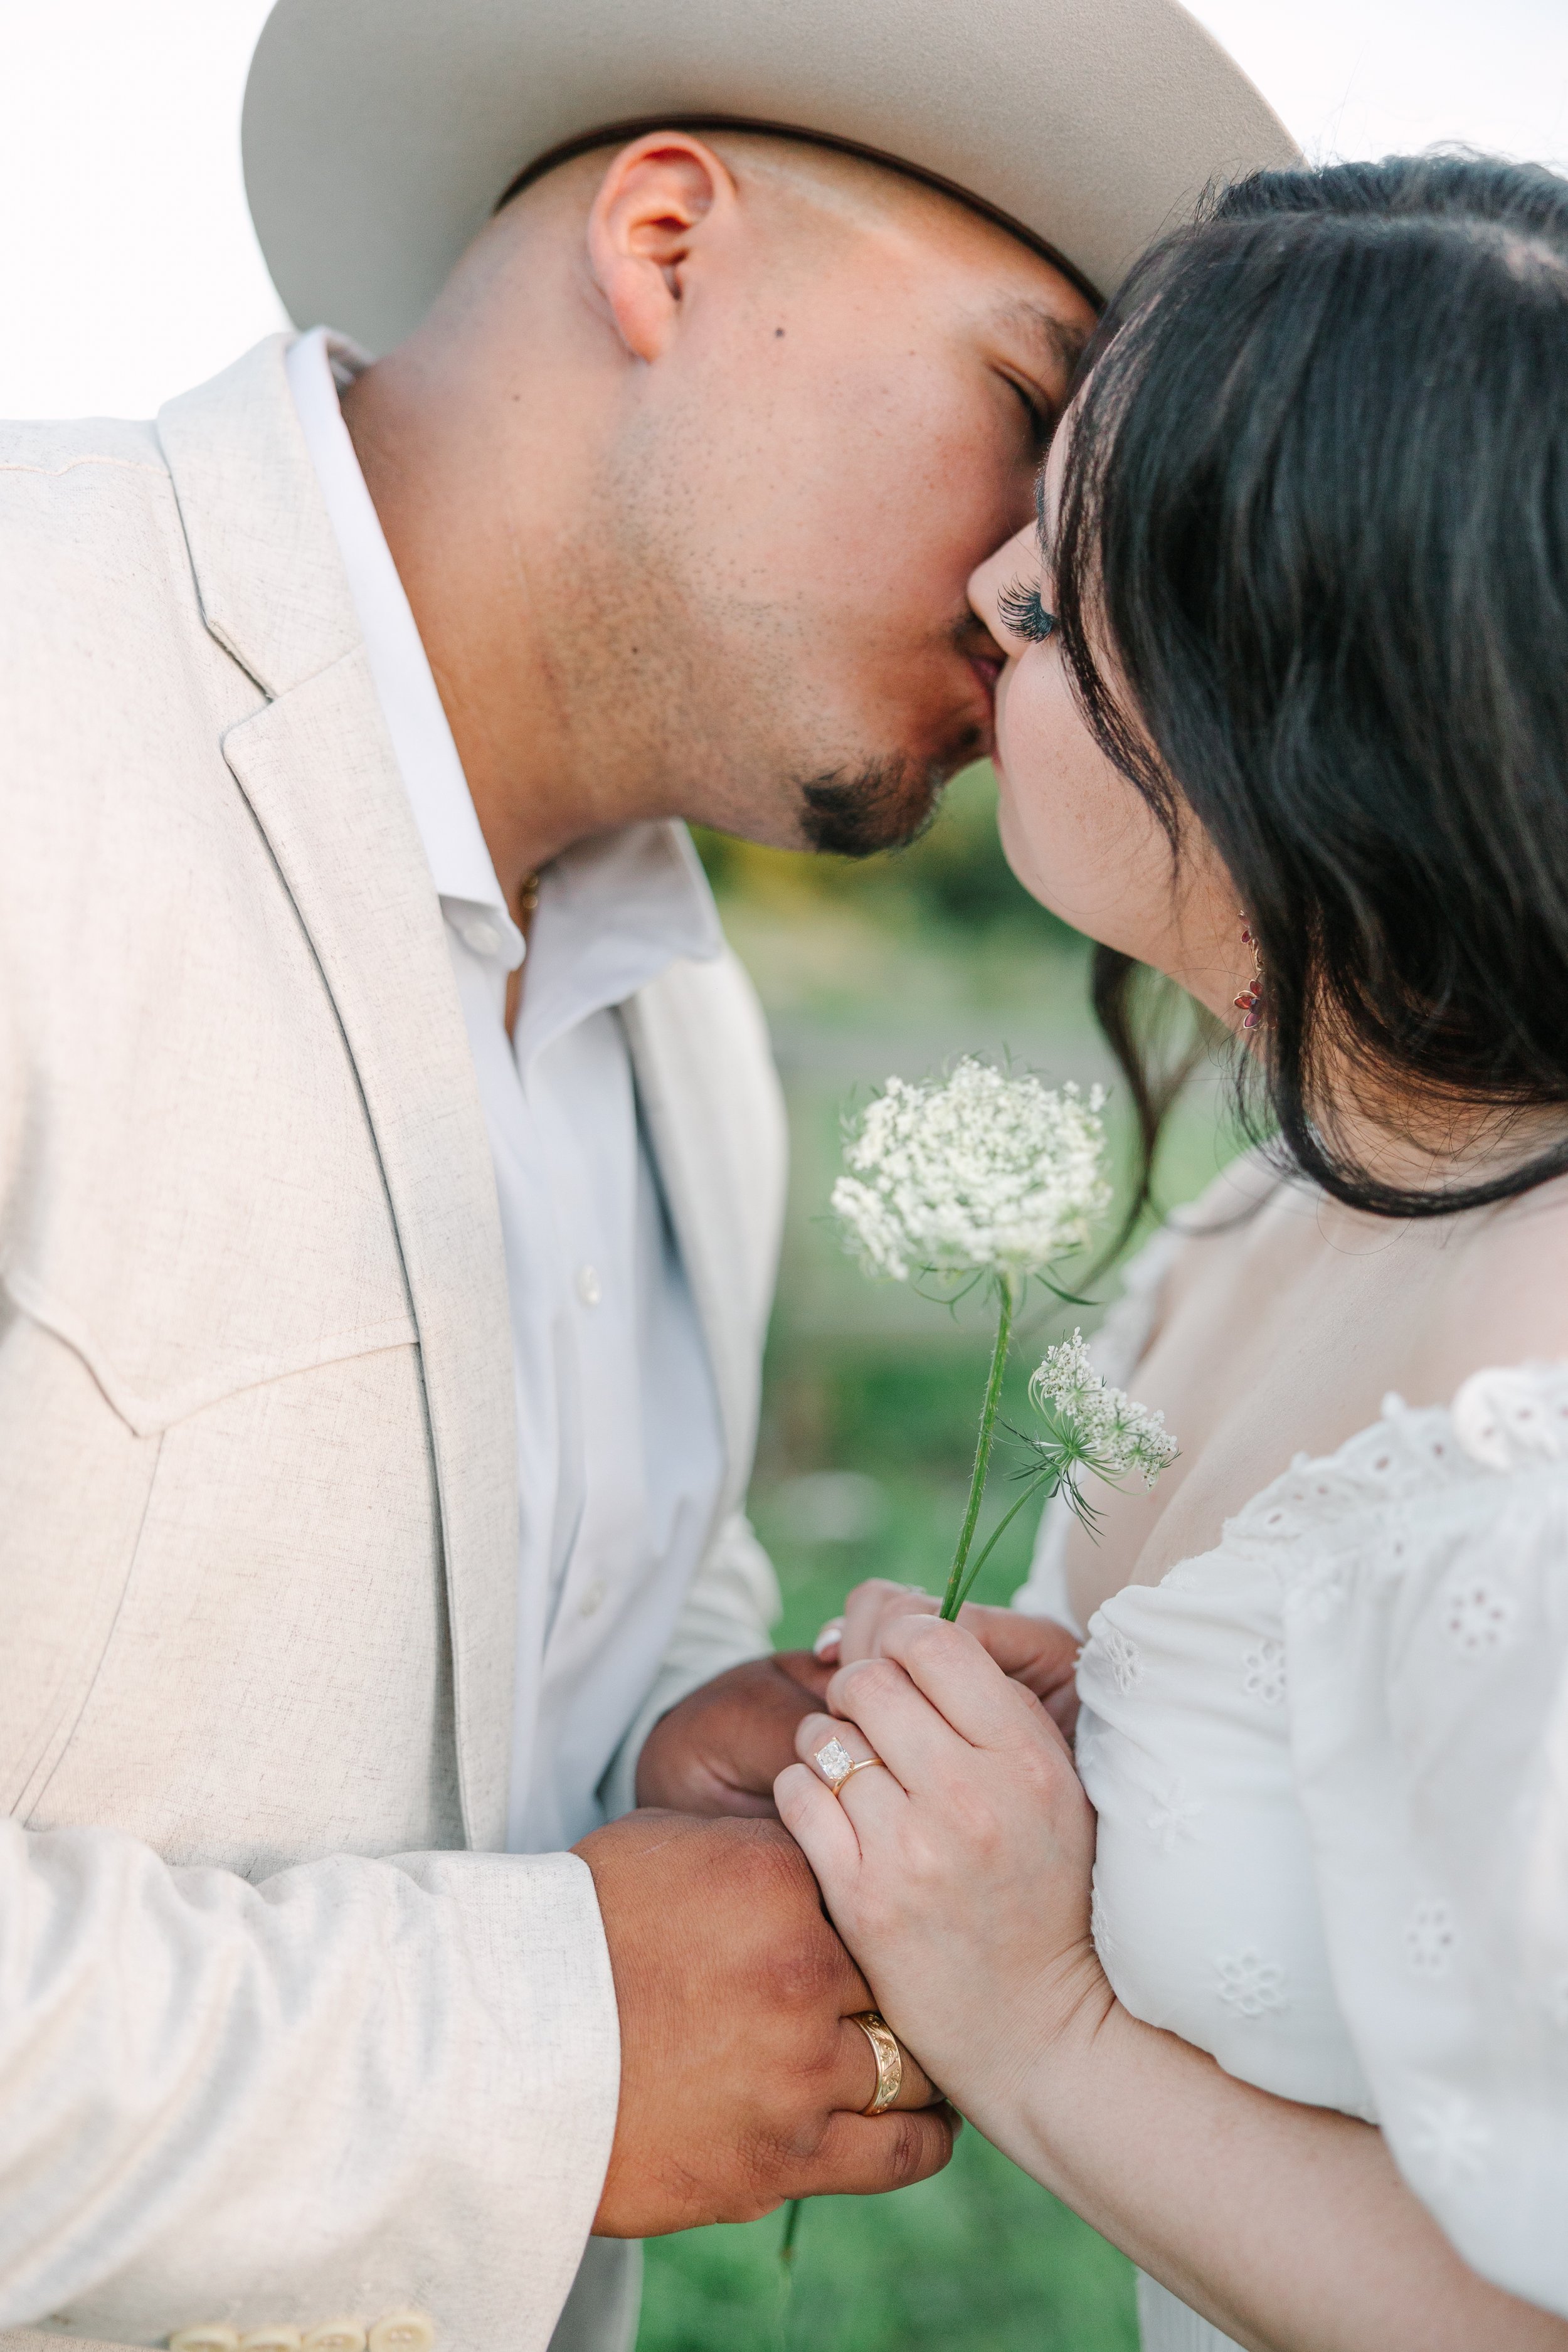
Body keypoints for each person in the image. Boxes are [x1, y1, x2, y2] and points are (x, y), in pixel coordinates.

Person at [0, 3, 1295, 2349]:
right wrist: (558, 2046)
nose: (1051, 600)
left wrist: (683, 1758)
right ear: (667, 239)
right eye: (1031, 418)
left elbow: (492, 1677)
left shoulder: (681, 1020)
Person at [784, 154, 1568, 2352]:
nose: (974, 593)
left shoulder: (1543, 1401)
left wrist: (1029, 2022)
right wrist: (1056, 1760)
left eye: (1042, 614)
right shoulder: (1262, 1203)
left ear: (1296, 712)